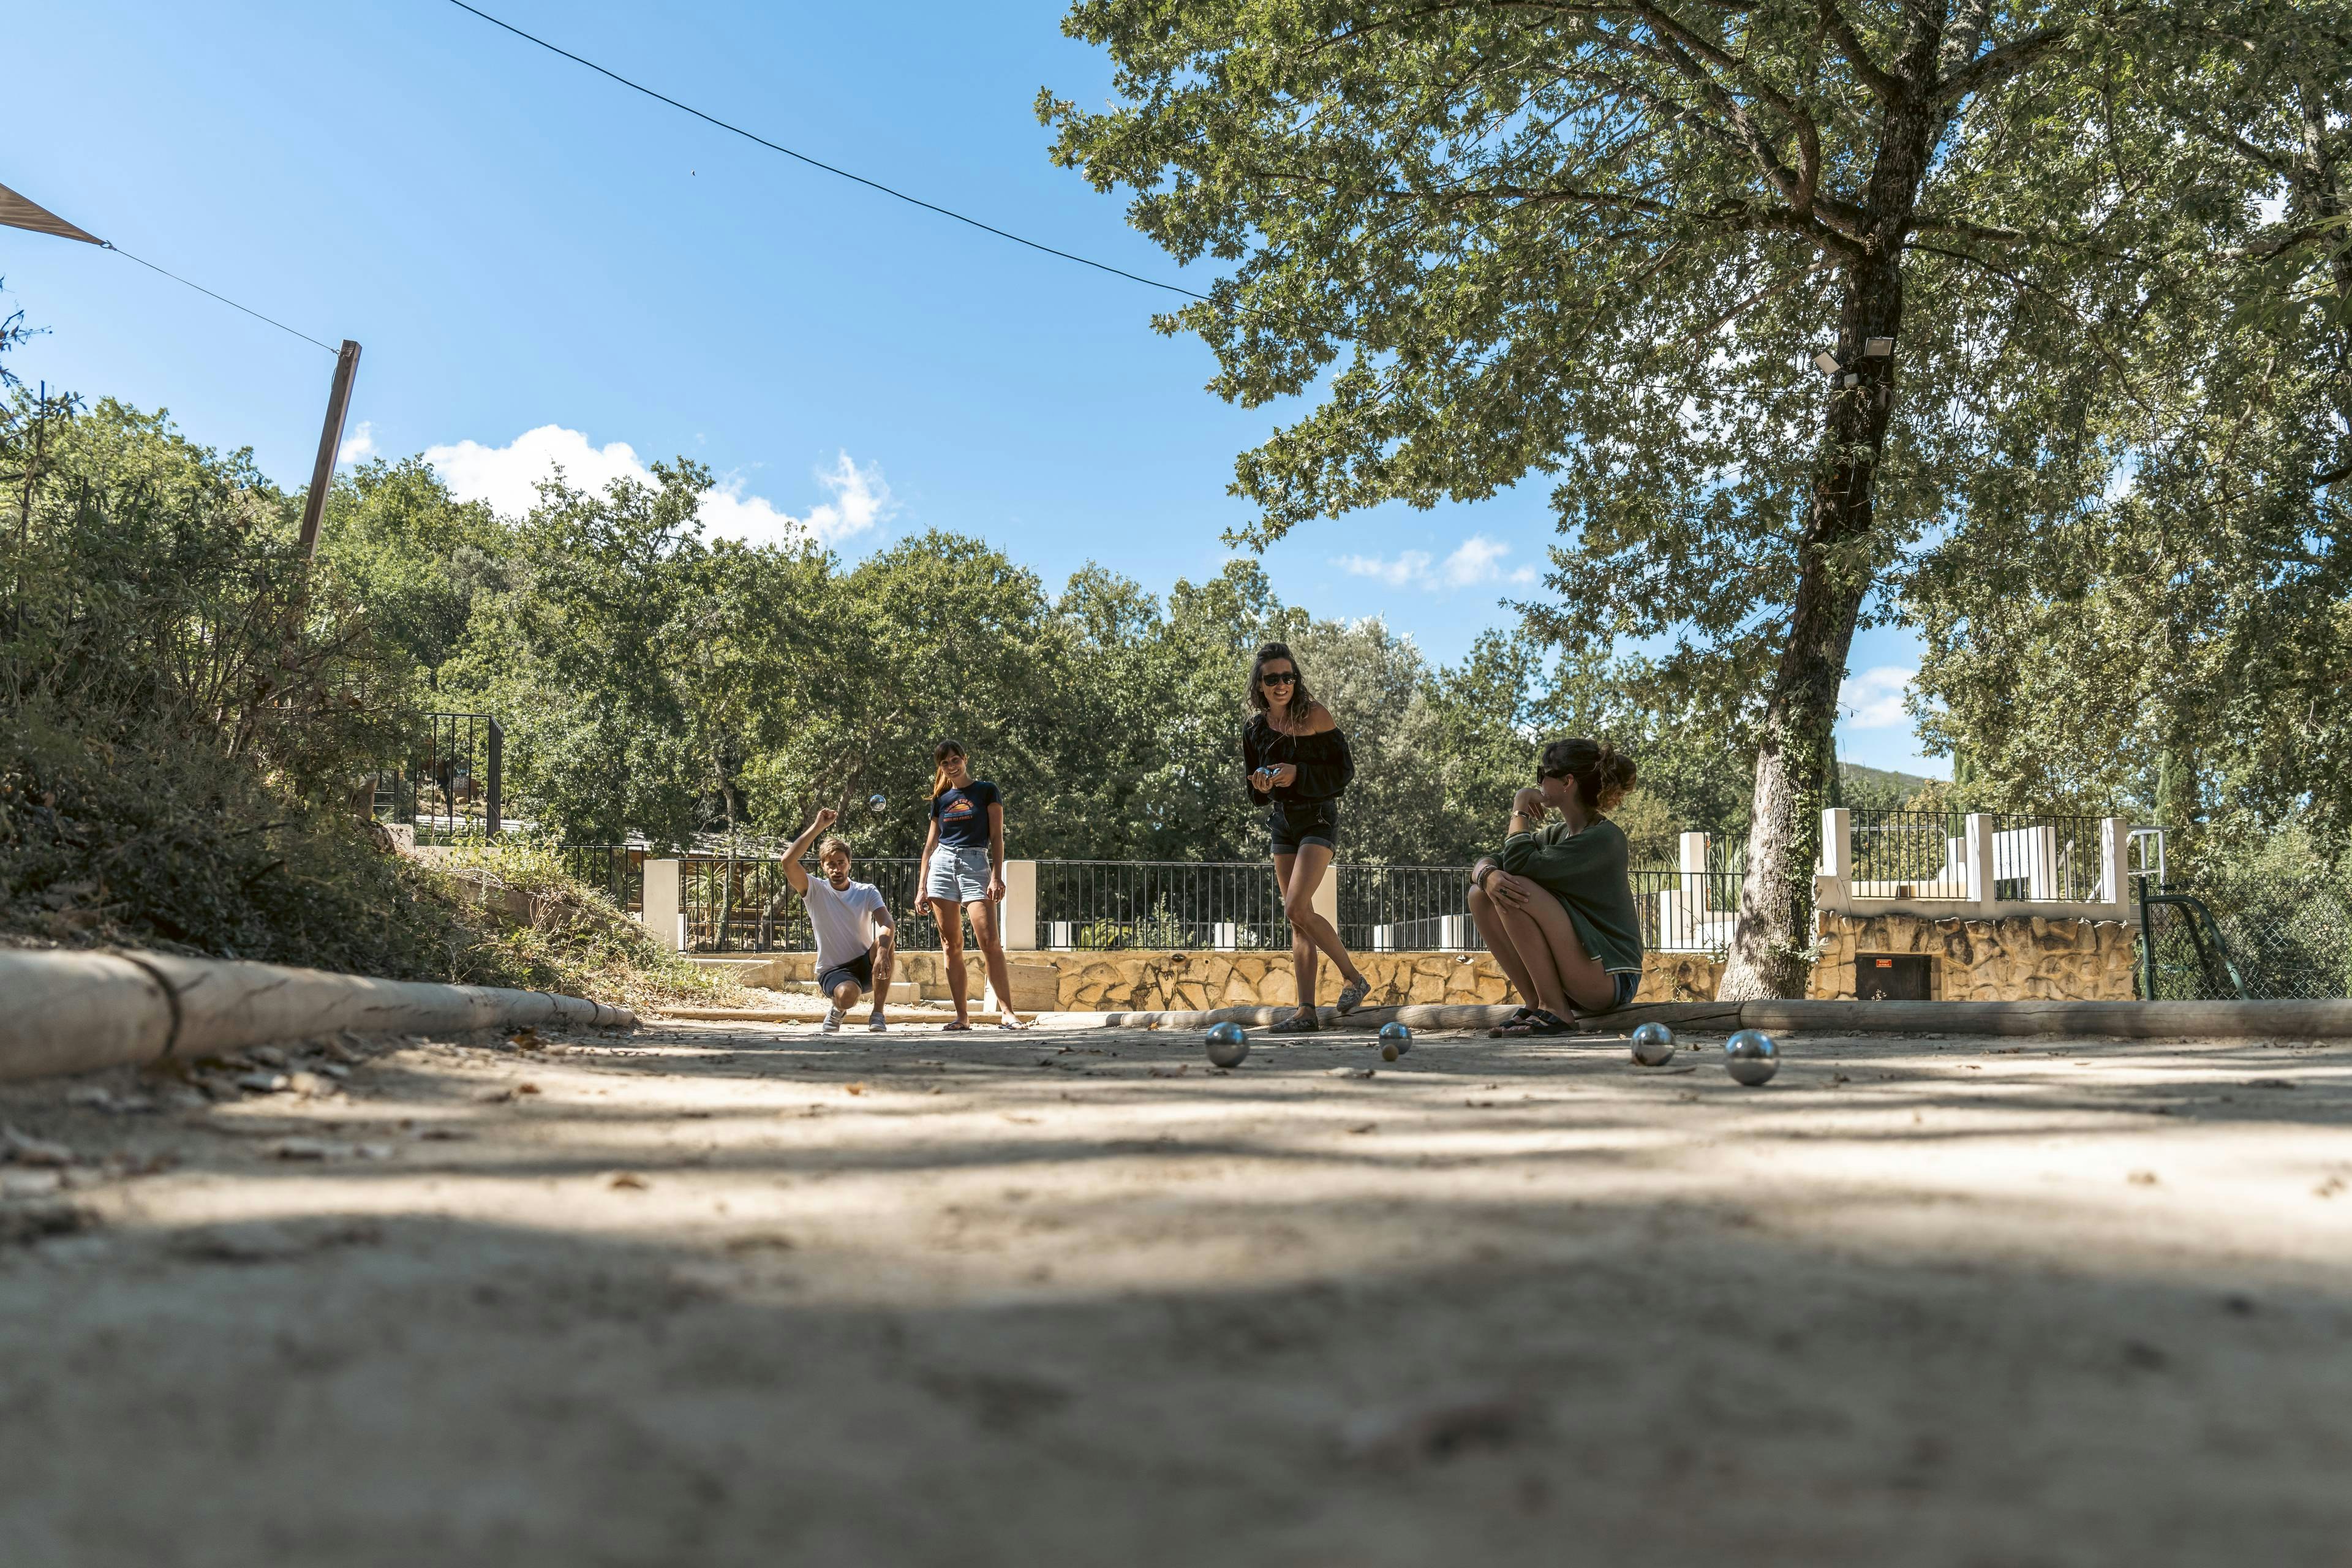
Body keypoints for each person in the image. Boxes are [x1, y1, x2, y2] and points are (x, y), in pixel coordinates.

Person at [1466, 738, 1644, 1037]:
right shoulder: (1557, 834)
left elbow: (1518, 864)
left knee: (1513, 886)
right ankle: (1537, 1003)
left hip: (1612, 977)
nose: (1537, 783)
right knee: (1480, 894)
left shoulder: (1604, 839)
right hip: (1580, 971)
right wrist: (1485, 875)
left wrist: (1520, 806)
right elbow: (1497, 860)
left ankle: (1556, 1010)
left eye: (1542, 774)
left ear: (1567, 781)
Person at [1242, 642, 1373, 1033]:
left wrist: (1298, 773)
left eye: (1288, 677)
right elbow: (1254, 793)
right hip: (1282, 823)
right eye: (1272, 679)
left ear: (1296, 680)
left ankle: (1353, 978)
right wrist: (1263, 785)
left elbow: (1343, 772)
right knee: (1298, 920)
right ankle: (1306, 1012)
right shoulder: (1254, 729)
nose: (1281, 684)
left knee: (1296, 906)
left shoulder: (1316, 715)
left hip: (1317, 818)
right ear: (1260, 685)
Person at [921, 741, 1028, 1031]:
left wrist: (996, 875)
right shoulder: (941, 799)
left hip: (975, 864)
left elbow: (997, 837)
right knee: (950, 945)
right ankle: (962, 1017)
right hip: (942, 866)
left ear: (965, 759)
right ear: (940, 767)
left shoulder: (986, 790)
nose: (951, 766)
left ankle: (1008, 1013)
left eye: (955, 760)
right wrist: (921, 887)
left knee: (989, 942)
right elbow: (930, 845)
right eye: (945, 763)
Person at [781, 807, 897, 1034]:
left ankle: (878, 1014)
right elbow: (787, 861)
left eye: (841, 863)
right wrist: (818, 827)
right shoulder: (814, 890)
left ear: (850, 863)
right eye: (831, 864)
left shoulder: (866, 891)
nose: (837, 869)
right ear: (823, 867)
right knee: (847, 995)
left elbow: (887, 923)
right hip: (834, 971)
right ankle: (837, 1010)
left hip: (866, 964)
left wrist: (883, 952)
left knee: (886, 941)